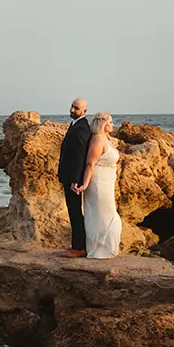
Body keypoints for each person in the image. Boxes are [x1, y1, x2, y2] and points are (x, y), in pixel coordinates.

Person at [74, 112, 122, 259]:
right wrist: (85, 185)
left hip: (107, 183)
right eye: (110, 122)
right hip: (98, 184)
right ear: (103, 123)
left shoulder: (105, 139)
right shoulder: (97, 140)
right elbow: (90, 163)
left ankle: (105, 249)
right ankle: (98, 250)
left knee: (106, 215)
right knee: (103, 215)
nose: (113, 125)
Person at [57, 98, 91, 258]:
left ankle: (79, 248)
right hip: (70, 176)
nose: (72, 110)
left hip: (73, 179)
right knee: (73, 211)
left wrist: (75, 180)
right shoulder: (75, 125)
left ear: (84, 111)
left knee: (75, 212)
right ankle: (77, 245)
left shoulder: (81, 128)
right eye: (72, 106)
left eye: (76, 108)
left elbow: (79, 156)